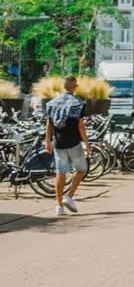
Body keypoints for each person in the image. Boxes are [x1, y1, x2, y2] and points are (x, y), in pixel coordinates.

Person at [44, 76, 90, 216]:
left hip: (58, 143)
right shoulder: (78, 103)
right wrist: (86, 142)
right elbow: (80, 125)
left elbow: (49, 124)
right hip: (74, 142)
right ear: (75, 87)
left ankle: (58, 206)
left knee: (60, 172)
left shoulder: (51, 103)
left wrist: (47, 141)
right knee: (81, 169)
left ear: (63, 87)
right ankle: (69, 196)